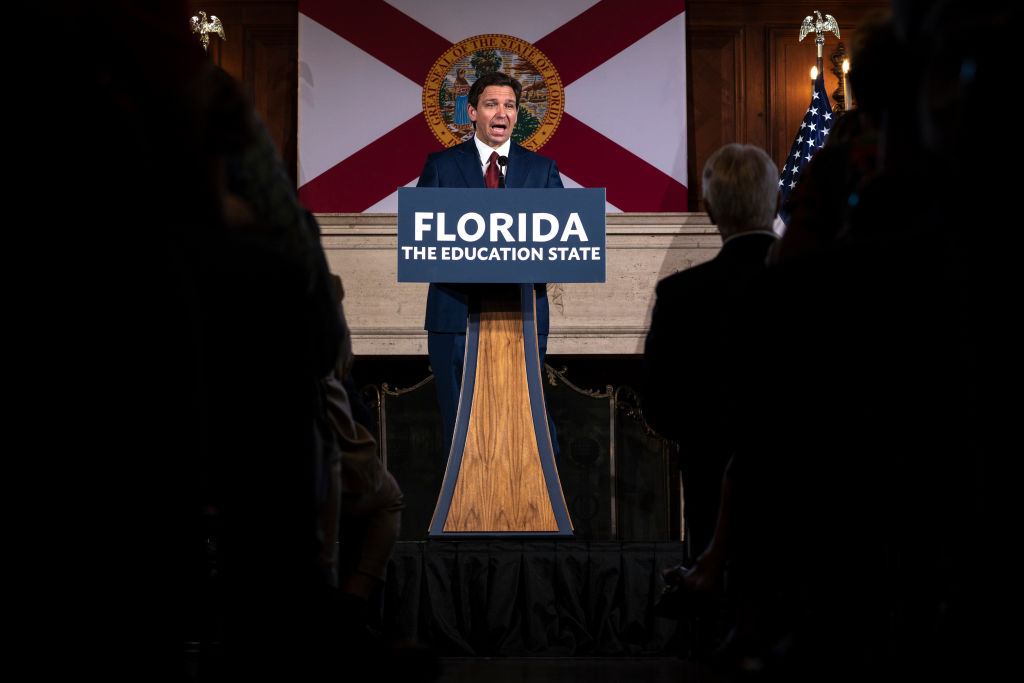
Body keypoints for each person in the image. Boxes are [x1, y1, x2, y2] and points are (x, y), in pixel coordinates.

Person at [642, 143, 780, 556]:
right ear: (775, 199)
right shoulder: (815, 287)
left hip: (709, 485)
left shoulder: (681, 294)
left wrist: (710, 438)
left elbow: (657, 406)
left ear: (709, 209)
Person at [416, 70, 563, 453]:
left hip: (522, 317)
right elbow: (421, 240)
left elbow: (561, 247)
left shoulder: (542, 170)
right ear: (472, 112)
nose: (502, 112)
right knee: (462, 440)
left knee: (526, 438)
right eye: (492, 104)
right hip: (455, 317)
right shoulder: (441, 166)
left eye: (510, 105)